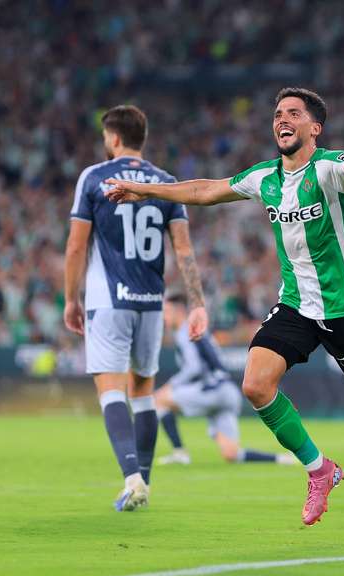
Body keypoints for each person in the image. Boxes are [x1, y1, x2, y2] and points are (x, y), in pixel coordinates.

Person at [104, 88, 344, 544]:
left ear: (314, 128)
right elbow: (204, 190)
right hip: (297, 304)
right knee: (255, 384)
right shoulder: (265, 177)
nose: (283, 119)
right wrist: (144, 190)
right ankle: (320, 469)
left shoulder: (328, 169)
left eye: (294, 113)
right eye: (279, 113)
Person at [63, 105, 208, 512]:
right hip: (150, 302)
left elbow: (76, 246)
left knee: (111, 389)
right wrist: (197, 303)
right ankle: (143, 480)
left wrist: (71, 299)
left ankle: (131, 479)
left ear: (113, 138)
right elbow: (183, 249)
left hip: (109, 299)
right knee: (143, 391)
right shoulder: (167, 183)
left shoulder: (95, 177)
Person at [154, 294, 295, 466]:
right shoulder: (198, 327)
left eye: (167, 311)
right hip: (226, 391)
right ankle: (282, 459)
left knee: (159, 399)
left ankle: (179, 452)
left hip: (212, 390)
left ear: (180, 311)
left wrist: (170, 385)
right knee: (231, 454)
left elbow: (194, 368)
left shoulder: (185, 331)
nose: (164, 316)